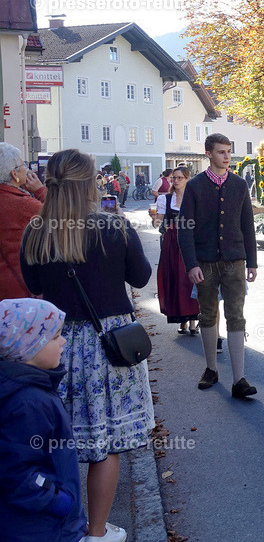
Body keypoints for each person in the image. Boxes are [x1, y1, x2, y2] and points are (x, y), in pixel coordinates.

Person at [20, 148, 154, 542]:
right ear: (91, 182)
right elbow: (142, 277)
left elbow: (34, 287)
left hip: (54, 347)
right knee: (104, 444)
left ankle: (61, 527)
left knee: (57, 443)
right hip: (108, 347)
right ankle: (96, 533)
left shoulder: (36, 229)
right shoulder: (114, 226)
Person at [178, 134, 259, 399]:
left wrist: (253, 262)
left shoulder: (238, 185)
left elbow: (247, 224)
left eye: (229, 151)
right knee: (207, 314)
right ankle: (211, 369)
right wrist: (191, 264)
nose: (227, 156)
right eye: (221, 152)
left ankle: (239, 379)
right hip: (205, 262)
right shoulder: (195, 186)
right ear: (208, 154)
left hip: (235, 260)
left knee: (236, 314)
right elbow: (185, 229)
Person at [0, 298, 87, 542]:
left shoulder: (32, 387)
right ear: (28, 346)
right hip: (41, 527)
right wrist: (61, 502)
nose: (63, 341)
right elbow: (16, 472)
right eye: (54, 336)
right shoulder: (28, 401)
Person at [154, 166, 200, 334]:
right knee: (176, 280)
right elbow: (158, 222)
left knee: (190, 280)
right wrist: (156, 221)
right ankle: (182, 320)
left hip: (190, 243)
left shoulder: (194, 198)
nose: (176, 181)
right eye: (174, 178)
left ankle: (194, 320)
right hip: (172, 244)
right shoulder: (165, 200)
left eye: (180, 178)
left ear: (187, 179)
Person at [0, 143, 46, 299]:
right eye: (23, 165)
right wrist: (41, 191)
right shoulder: (23, 205)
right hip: (17, 289)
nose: (26, 169)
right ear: (14, 174)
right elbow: (62, 220)